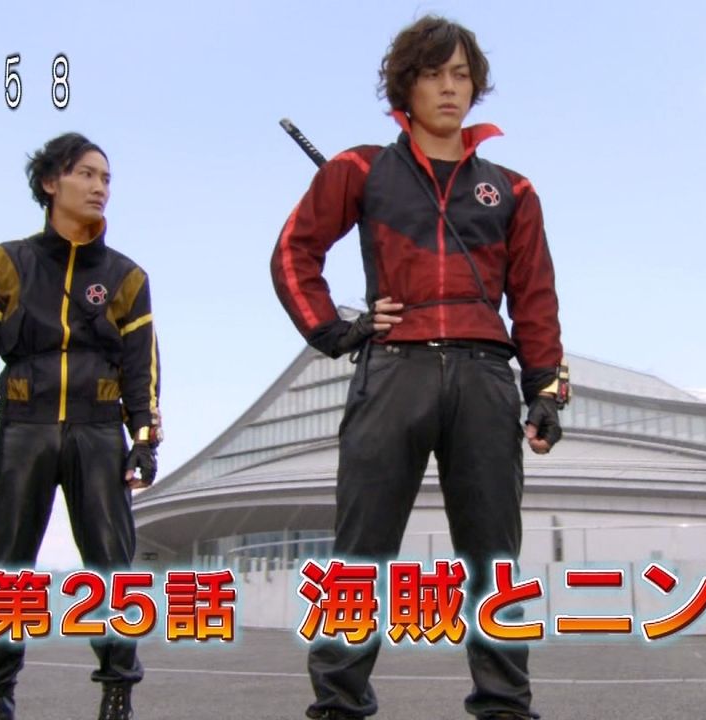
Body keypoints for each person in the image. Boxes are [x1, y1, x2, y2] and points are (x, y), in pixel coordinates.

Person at [270, 15, 567, 720]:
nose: (449, 87)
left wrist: (546, 389)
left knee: (494, 557)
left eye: (461, 74)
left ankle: (504, 705)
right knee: (360, 552)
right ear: (406, 85)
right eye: (433, 74)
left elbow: (535, 297)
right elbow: (293, 252)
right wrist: (334, 330)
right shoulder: (360, 169)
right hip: (392, 371)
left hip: (484, 376)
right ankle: (339, 704)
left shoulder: (513, 190)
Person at [0, 132, 161, 720]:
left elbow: (142, 367)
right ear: (50, 182)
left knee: (113, 569)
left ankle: (117, 694)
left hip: (100, 432)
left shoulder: (127, 276)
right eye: (86, 174)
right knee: (8, 569)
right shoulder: (4, 264)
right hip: (24, 426)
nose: (99, 187)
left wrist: (144, 438)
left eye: (106, 178)